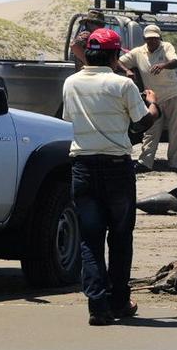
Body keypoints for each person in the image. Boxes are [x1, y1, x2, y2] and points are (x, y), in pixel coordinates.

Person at [62, 27, 160, 326]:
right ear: (115, 54)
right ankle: (119, 301)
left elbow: (69, 120)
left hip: (83, 167)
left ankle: (97, 306)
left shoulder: (70, 83)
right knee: (120, 237)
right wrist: (154, 103)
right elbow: (142, 122)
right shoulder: (122, 85)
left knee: (90, 241)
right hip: (117, 168)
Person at [118, 24, 177, 172]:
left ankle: (175, 164)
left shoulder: (166, 47)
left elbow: (174, 61)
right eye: (149, 39)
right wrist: (127, 70)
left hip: (173, 94)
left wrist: (163, 65)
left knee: (176, 131)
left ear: (159, 37)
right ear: (144, 39)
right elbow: (119, 61)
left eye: (155, 38)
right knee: (151, 130)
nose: (152, 41)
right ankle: (145, 162)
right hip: (153, 98)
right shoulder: (138, 52)